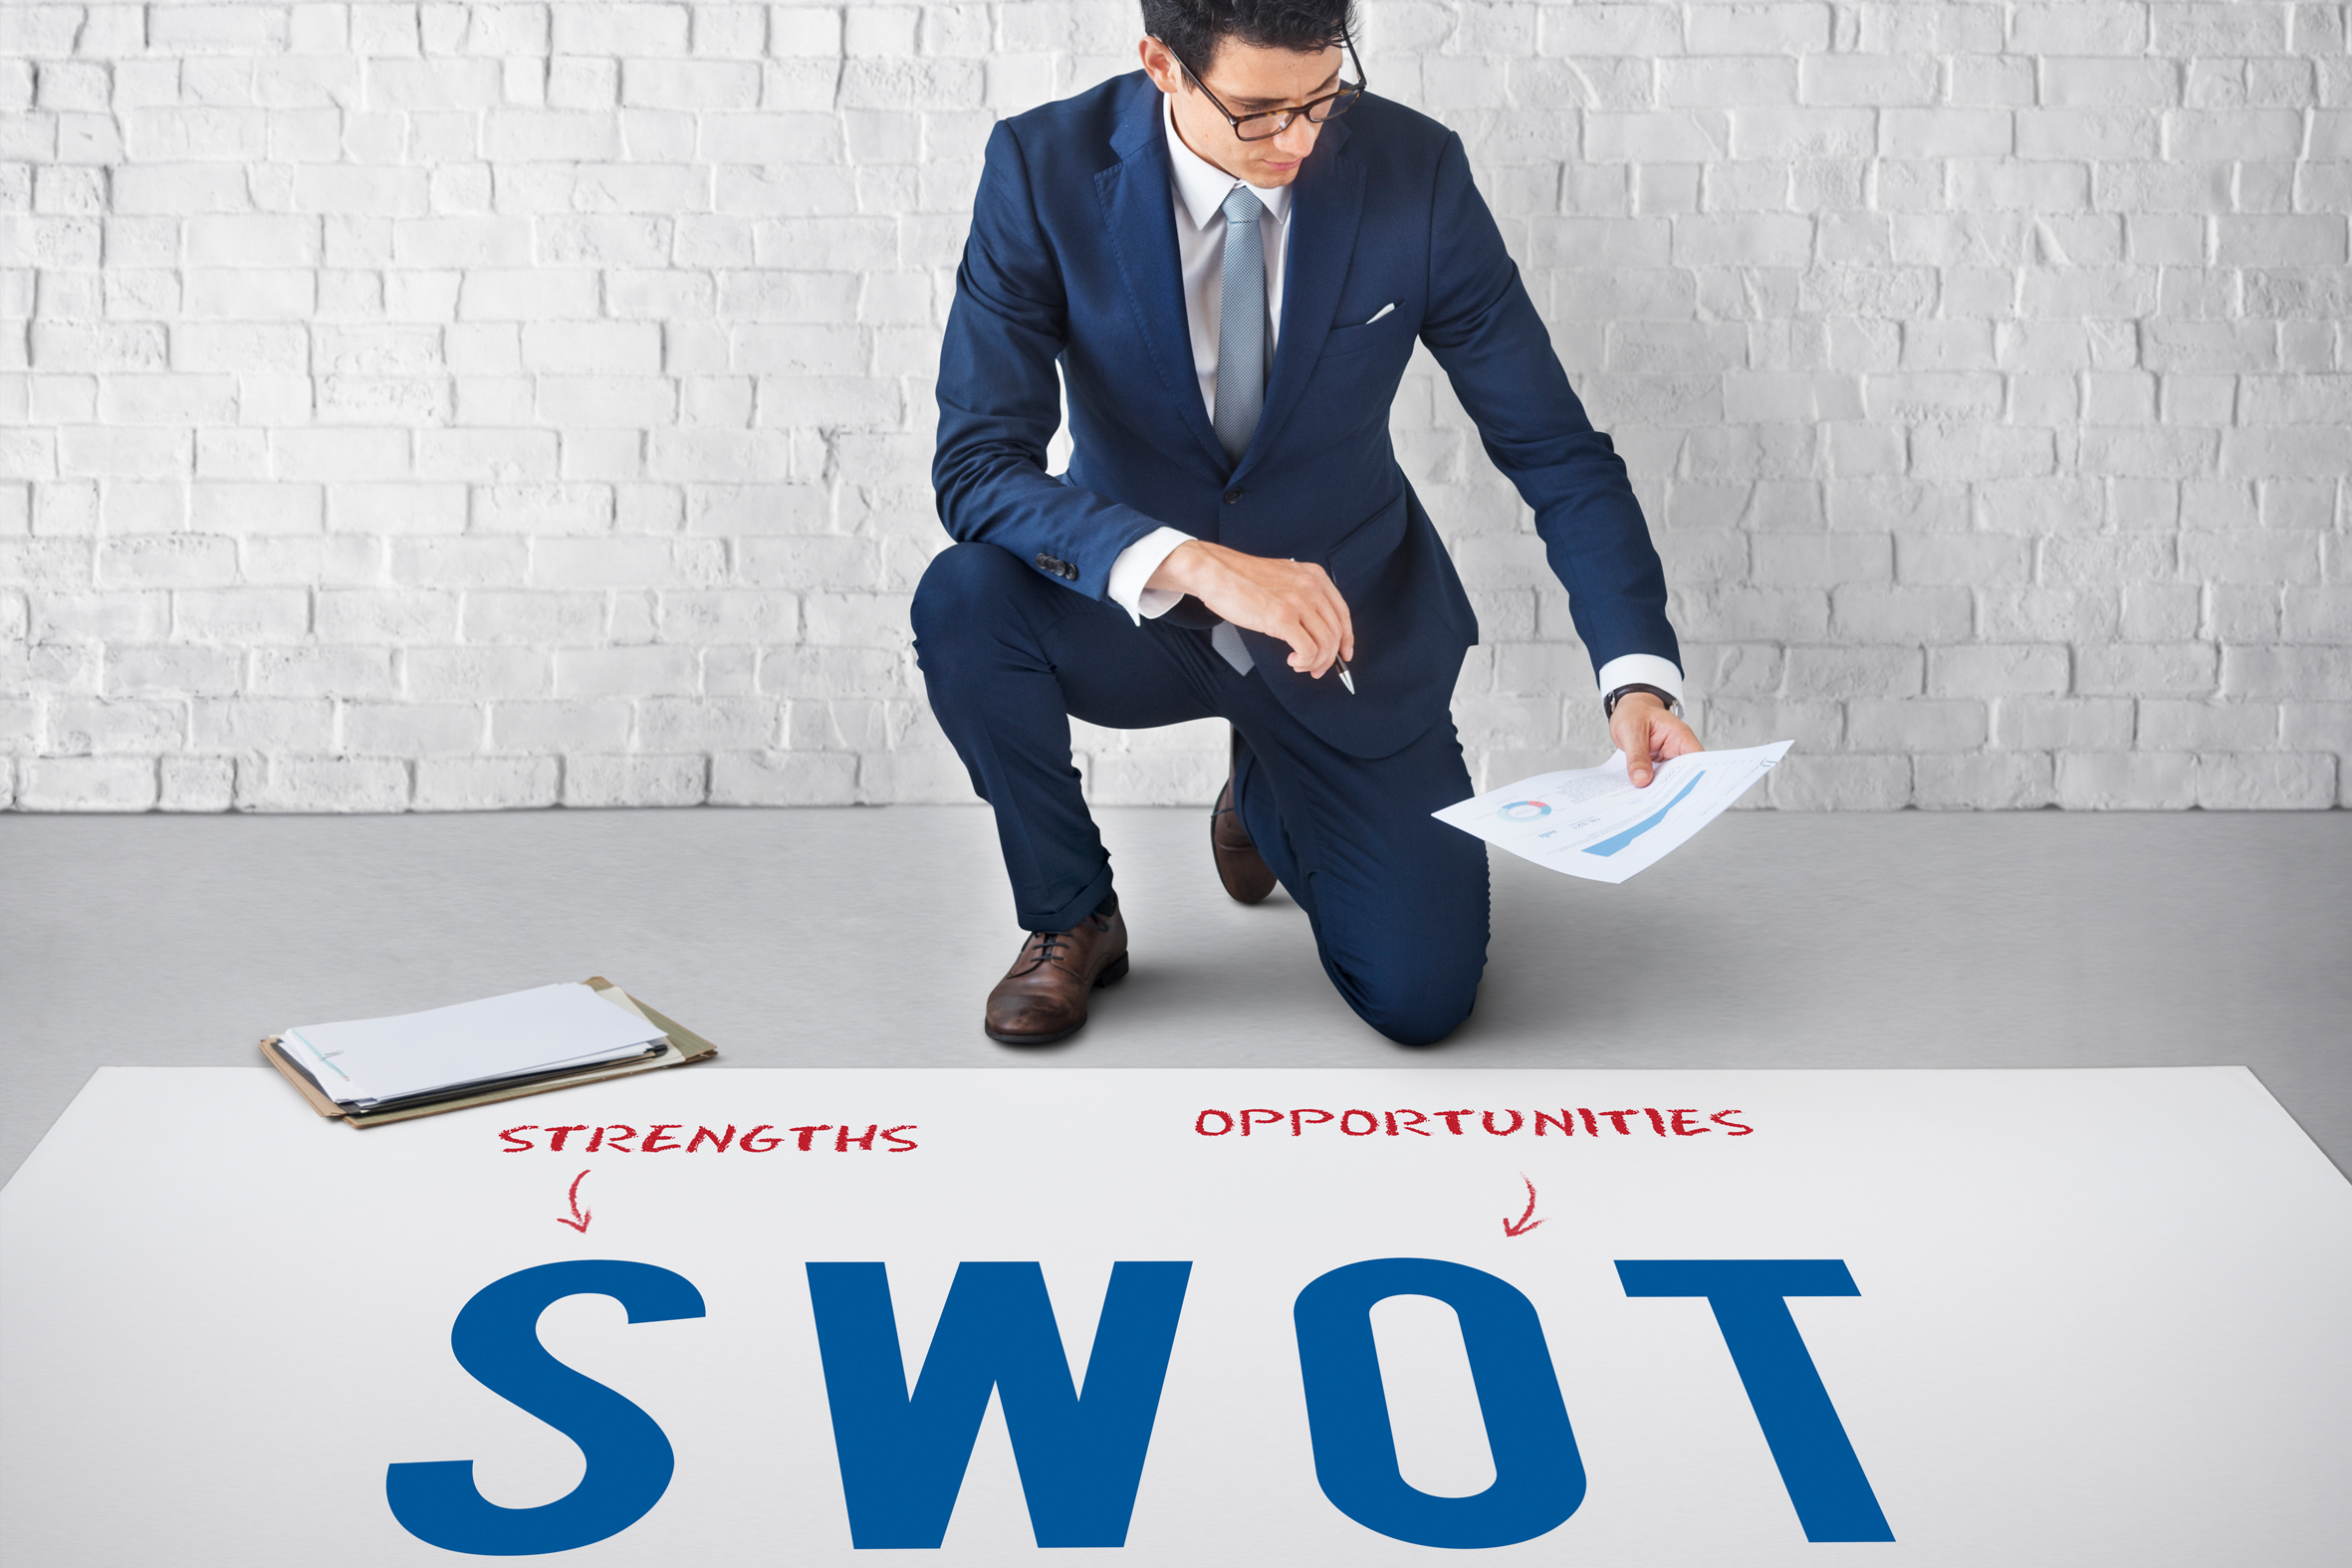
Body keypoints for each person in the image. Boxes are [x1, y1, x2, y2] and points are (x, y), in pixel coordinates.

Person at [913, 0, 1702, 1047]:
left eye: (1322, 99)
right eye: (1257, 110)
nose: (1298, 139)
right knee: (962, 598)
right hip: (1133, 614)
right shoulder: (1042, 169)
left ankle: (1267, 786)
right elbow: (976, 468)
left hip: (1340, 635)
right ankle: (1071, 914)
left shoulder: (1414, 173)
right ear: (1162, 67)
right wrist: (1198, 566)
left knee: (1423, 1002)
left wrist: (1635, 673)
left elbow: (1553, 446)